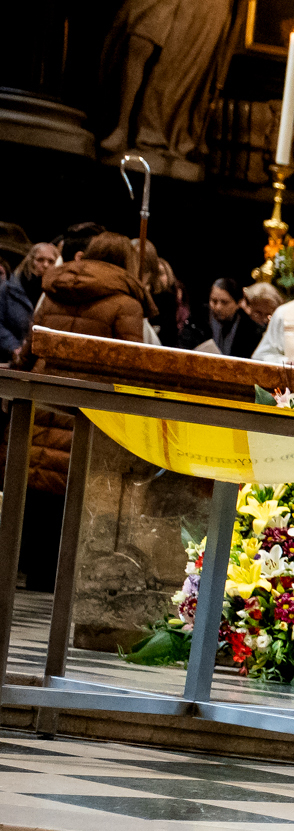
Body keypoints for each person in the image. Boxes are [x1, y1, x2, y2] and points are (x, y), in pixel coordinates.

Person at [17, 234, 152, 585]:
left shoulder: (53, 290)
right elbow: (131, 363)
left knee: (39, 485)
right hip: (90, 408)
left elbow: (30, 346)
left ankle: (30, 569)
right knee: (78, 493)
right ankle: (61, 581)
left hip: (44, 399)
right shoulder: (126, 303)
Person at [0, 242, 61, 361]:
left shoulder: (58, 293)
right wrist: (14, 347)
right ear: (31, 261)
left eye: (51, 261)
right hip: (9, 357)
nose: (45, 265)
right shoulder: (9, 289)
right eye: (40, 260)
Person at [194, 276, 252, 357]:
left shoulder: (250, 329)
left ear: (239, 303)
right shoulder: (197, 320)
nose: (218, 307)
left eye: (224, 302)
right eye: (214, 301)